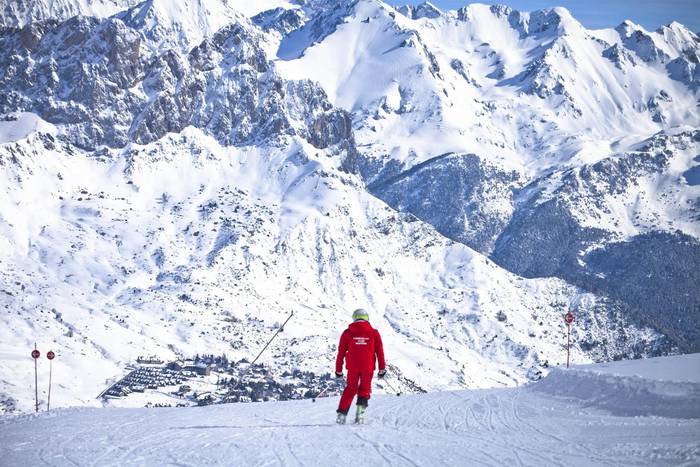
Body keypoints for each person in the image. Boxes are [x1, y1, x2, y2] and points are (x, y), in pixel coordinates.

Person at [335, 308, 386, 424]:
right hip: (368, 367)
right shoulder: (374, 333)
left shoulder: (347, 333)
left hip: (352, 366)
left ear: (354, 318)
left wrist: (338, 370)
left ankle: (341, 415)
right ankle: (360, 415)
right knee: (364, 389)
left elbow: (341, 352)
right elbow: (380, 352)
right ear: (367, 318)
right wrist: (382, 368)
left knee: (351, 388)